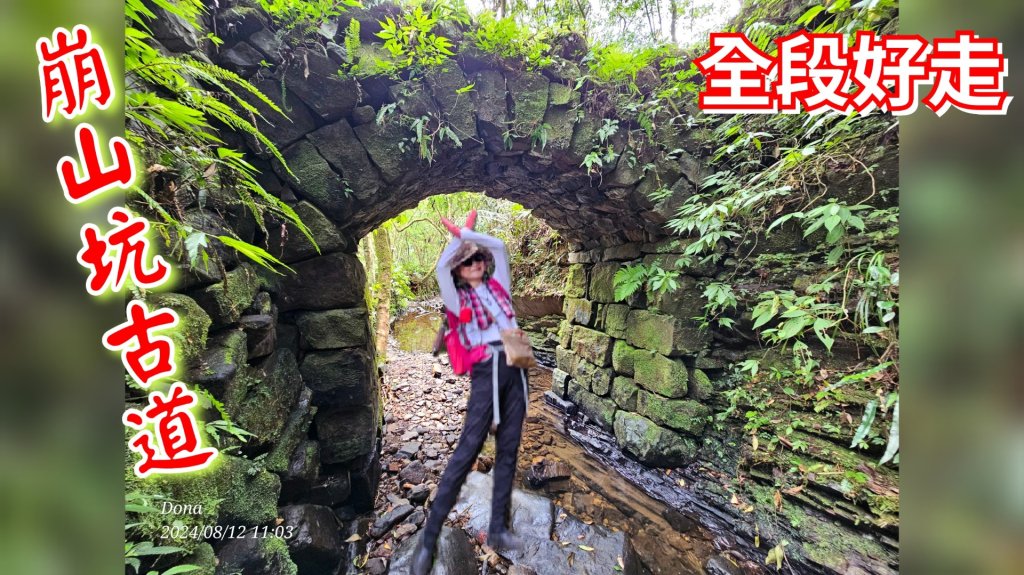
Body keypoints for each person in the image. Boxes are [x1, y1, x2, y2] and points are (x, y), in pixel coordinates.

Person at [410, 212, 529, 575]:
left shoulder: (500, 286)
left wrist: (470, 234)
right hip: (485, 372)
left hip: (516, 371)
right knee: (466, 453)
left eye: (477, 258)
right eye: (467, 261)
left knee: (508, 452)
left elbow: (501, 247)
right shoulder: (456, 300)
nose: (474, 263)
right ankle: (428, 541)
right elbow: (441, 268)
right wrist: (456, 241)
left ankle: (498, 528)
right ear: (460, 271)